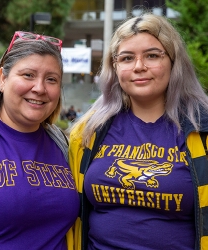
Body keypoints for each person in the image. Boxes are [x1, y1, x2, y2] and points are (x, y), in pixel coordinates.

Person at [69, 12, 208, 250]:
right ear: (114, 67)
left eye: (152, 56)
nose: (139, 67)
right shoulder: (87, 131)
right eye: (126, 58)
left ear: (174, 62)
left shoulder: (202, 131)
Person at [0, 31, 80, 250]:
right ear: (3, 79)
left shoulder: (61, 143)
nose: (40, 88)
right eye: (28, 75)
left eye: (51, 79)